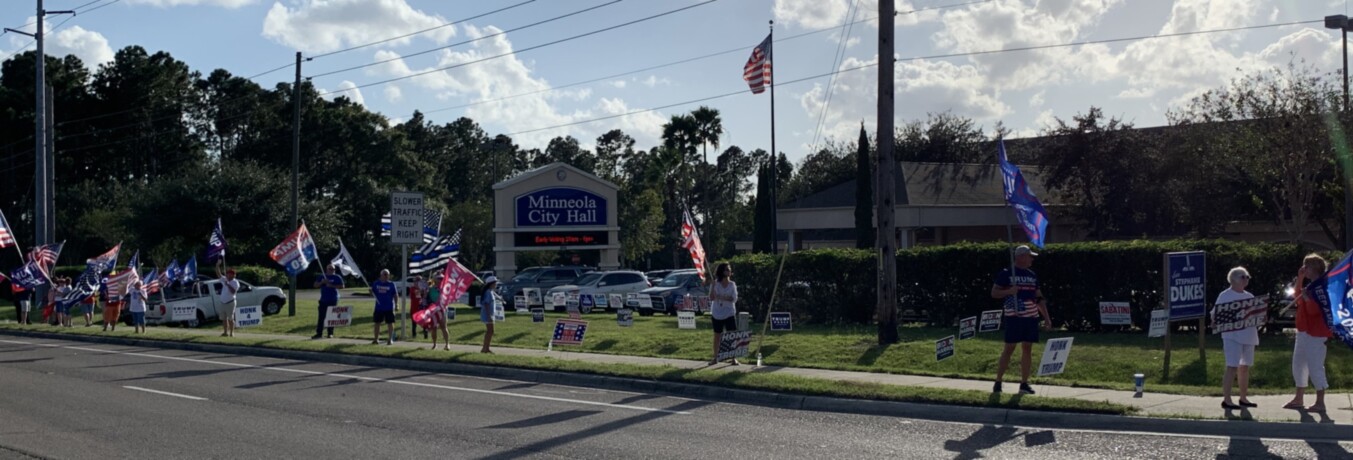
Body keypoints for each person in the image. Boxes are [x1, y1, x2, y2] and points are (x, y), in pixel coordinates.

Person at [991, 245, 1052, 395]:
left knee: (1027, 348)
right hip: (1014, 316)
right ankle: (998, 381)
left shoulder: (1032, 275)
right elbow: (994, 293)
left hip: (1031, 317)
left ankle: (1024, 383)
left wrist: (1046, 318)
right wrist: (1009, 291)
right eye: (1029, 256)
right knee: (1009, 348)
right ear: (1021, 257)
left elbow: (1039, 297)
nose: (1032, 259)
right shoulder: (1006, 273)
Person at [1286, 255, 1331, 412]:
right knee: (1298, 364)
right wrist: (1300, 279)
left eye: (1307, 266)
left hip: (1316, 332)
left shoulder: (1322, 288)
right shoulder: (1311, 286)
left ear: (1315, 268)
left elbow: (1315, 312)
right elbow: (1297, 297)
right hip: (1303, 330)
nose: (1304, 269)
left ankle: (1320, 401)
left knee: (1315, 366)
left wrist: (1306, 298)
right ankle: (1299, 398)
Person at [1213, 266, 1259, 409]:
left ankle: (1243, 398)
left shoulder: (1250, 296)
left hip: (1248, 335)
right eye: (1242, 277)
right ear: (1233, 279)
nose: (1246, 279)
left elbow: (1256, 314)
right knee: (1232, 366)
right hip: (1232, 336)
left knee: (1244, 367)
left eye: (1247, 277)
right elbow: (1216, 315)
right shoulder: (1225, 296)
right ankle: (1227, 400)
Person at [708, 263, 740, 365]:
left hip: (729, 313)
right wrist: (713, 286)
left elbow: (734, 299)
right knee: (717, 335)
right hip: (717, 313)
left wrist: (721, 297)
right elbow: (711, 297)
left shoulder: (732, 284)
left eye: (729, 269)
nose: (729, 271)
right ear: (722, 271)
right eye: (727, 269)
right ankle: (715, 358)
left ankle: (733, 358)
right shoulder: (715, 284)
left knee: (732, 335)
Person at [312, 264, 345, 339]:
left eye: (333, 269)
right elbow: (315, 285)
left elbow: (342, 286)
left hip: (333, 299)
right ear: (327, 269)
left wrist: (331, 285)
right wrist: (322, 282)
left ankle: (330, 333)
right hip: (323, 300)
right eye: (330, 269)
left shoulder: (337, 277)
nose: (332, 270)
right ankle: (319, 333)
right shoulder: (322, 276)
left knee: (331, 317)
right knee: (321, 317)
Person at [370, 269, 398, 345]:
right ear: (381, 275)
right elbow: (373, 294)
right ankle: (376, 339)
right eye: (384, 274)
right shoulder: (376, 283)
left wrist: (396, 304)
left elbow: (395, 295)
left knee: (390, 323)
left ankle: (390, 339)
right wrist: (371, 292)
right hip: (379, 307)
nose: (386, 276)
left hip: (389, 307)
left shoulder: (391, 284)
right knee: (377, 323)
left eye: (387, 274)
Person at [480, 276, 500, 353]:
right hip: (488, 314)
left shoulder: (490, 291)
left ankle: (486, 348)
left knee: (490, 331)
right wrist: (489, 316)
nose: (496, 284)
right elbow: (486, 304)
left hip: (490, 314)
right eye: (495, 283)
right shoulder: (488, 292)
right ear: (491, 283)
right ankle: (485, 348)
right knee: (490, 331)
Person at [218, 268, 240, 337]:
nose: (229, 275)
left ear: (234, 275)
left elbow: (233, 292)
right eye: (228, 273)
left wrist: (228, 284)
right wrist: (217, 265)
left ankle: (231, 332)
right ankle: (225, 332)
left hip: (230, 302)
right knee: (224, 319)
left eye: (231, 274)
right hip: (222, 302)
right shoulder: (224, 279)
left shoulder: (235, 282)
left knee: (231, 318)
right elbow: (218, 274)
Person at [409, 275, 426, 339]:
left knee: (424, 323)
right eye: (415, 281)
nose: (415, 283)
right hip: (414, 308)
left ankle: (425, 335)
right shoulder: (412, 288)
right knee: (414, 323)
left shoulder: (423, 288)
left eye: (417, 281)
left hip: (422, 308)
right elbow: (418, 294)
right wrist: (423, 289)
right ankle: (414, 335)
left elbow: (425, 296)